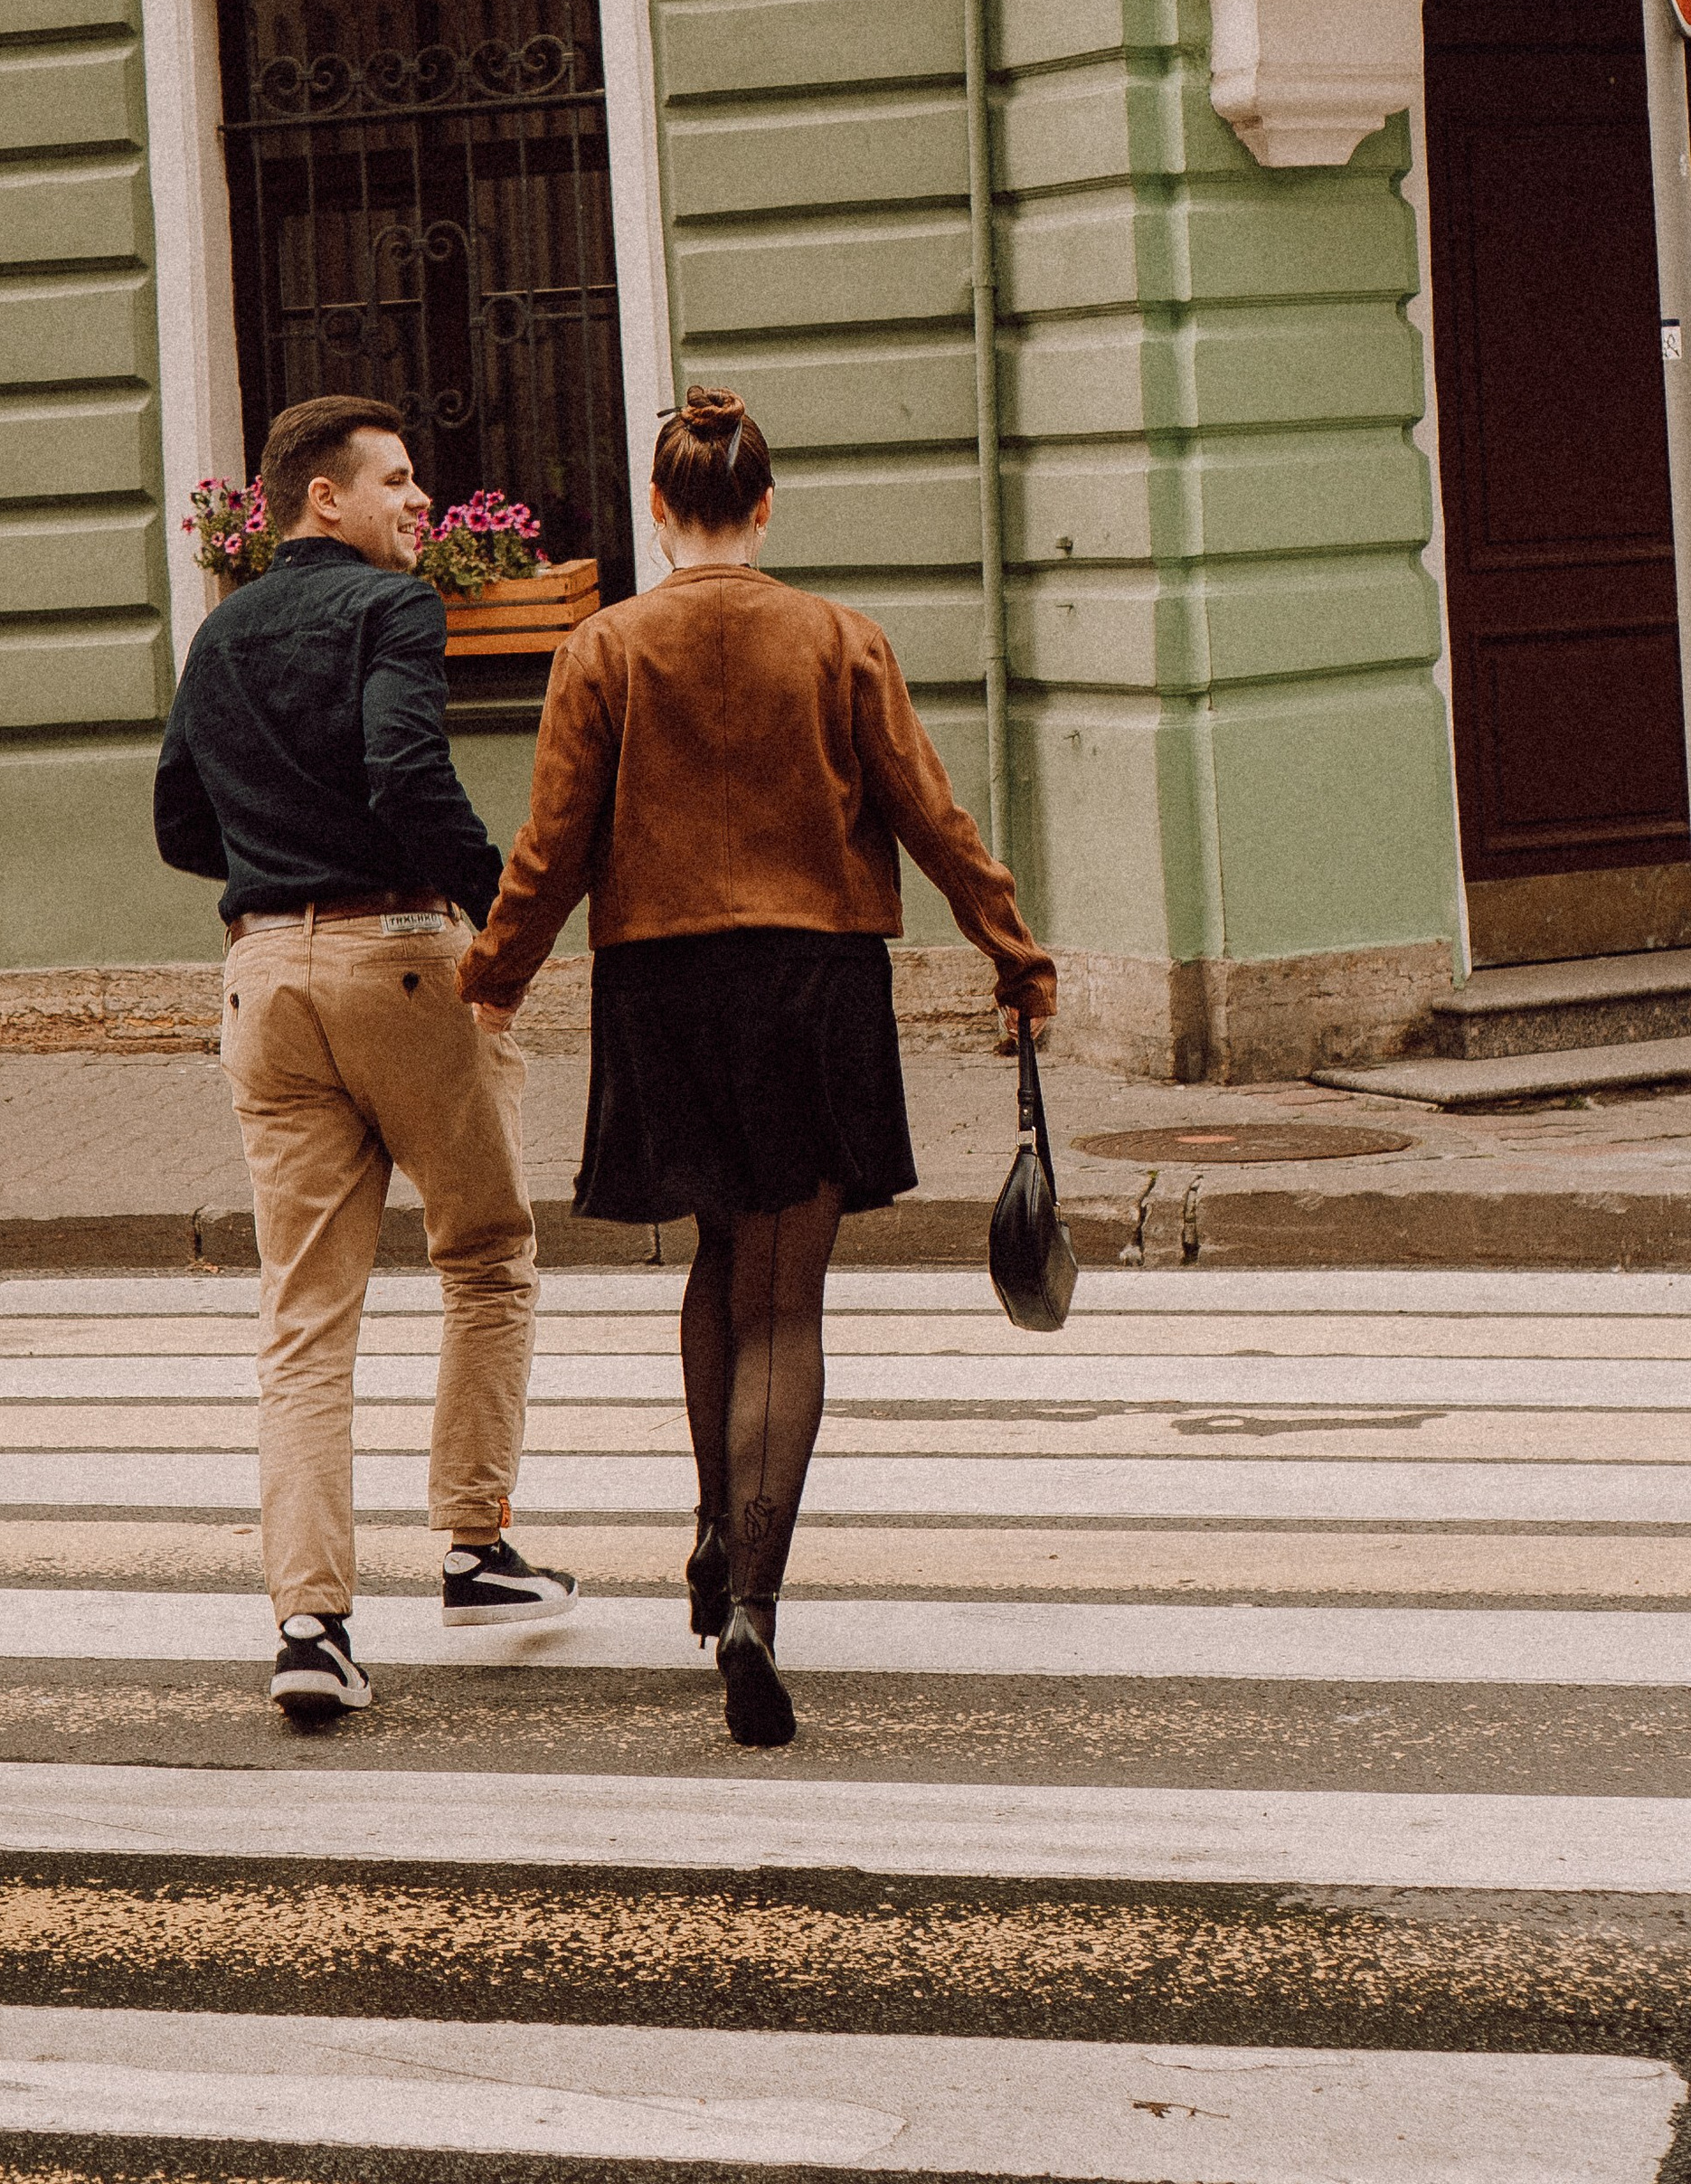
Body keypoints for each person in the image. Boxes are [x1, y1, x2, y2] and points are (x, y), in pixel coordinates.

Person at [456, 386, 1054, 1750]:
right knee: (788, 1299)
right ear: (766, 504)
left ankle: (715, 1527)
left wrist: (494, 980)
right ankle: (756, 1607)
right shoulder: (843, 640)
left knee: (717, 1262)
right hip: (813, 981)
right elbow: (931, 814)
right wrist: (1013, 954)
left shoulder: (600, 650)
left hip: (664, 984)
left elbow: (550, 845)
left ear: (661, 513)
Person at [154, 392, 577, 1725]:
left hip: (260, 981)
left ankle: (310, 1626)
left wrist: (280, 856)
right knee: (486, 1250)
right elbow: (406, 768)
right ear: (319, 500)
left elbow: (178, 825)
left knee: (305, 1314)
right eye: (395, 482)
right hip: (399, 959)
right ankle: (474, 1546)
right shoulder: (393, 612)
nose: (420, 505)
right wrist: (502, 912)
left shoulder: (221, 633)